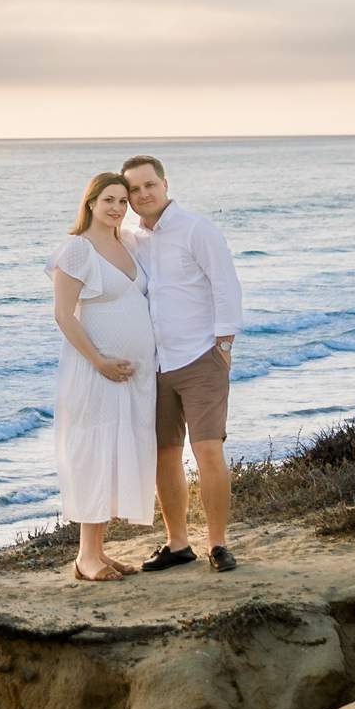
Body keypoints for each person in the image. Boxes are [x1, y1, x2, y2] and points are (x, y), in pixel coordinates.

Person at [120, 154, 244, 572]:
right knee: (164, 455)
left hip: (199, 357)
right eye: (133, 189)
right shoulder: (131, 237)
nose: (142, 194)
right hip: (153, 364)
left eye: (148, 185)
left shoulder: (197, 229)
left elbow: (226, 285)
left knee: (208, 450)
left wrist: (223, 345)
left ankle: (218, 545)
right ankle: (177, 545)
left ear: (165, 184)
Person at [49, 171, 158, 581]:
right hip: (95, 373)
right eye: (108, 200)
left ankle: (98, 550)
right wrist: (99, 361)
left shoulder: (126, 243)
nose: (116, 208)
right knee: (94, 455)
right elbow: (63, 314)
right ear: (91, 202)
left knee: (116, 455)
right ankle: (85, 556)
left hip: (133, 377)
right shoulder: (77, 250)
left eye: (122, 202)